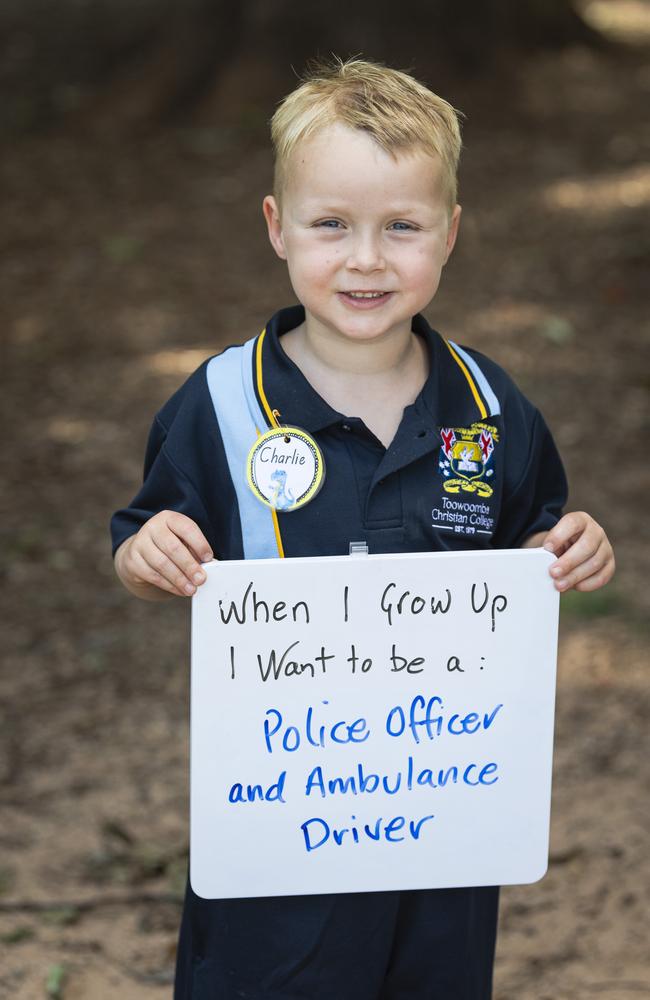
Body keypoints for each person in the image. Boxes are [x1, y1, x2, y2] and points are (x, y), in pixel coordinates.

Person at [111, 57, 615, 1000]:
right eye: (331, 224)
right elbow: (150, 544)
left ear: (451, 234)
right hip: (281, 834)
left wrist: (572, 546)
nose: (367, 259)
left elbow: (539, 540)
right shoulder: (221, 403)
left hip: (444, 827)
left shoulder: (492, 408)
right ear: (277, 228)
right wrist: (149, 556)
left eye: (403, 227)